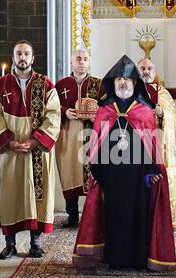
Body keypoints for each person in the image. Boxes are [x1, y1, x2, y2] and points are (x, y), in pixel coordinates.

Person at [72, 55, 176, 271]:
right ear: (112, 82)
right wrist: (96, 169)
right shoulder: (104, 110)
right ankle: (113, 257)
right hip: (111, 176)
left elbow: (151, 144)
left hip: (138, 178)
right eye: (118, 79)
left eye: (127, 79)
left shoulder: (145, 111)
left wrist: (151, 171)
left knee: (137, 215)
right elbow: (96, 143)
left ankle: (138, 258)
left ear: (134, 83)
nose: (122, 83)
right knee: (112, 215)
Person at [0, 40, 61, 260]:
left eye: (26, 53)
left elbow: (54, 116)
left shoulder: (46, 85)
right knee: (10, 195)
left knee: (37, 195)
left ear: (32, 58)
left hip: (36, 152)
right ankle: (10, 244)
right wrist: (8, 141)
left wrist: (36, 141)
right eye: (19, 53)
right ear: (13, 57)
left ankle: (35, 243)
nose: (22, 57)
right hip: (9, 152)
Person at [137, 58, 176, 229]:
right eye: (143, 68)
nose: (146, 71)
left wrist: (162, 114)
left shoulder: (163, 93)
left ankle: (163, 216)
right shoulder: (131, 90)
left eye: (149, 68)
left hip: (159, 143)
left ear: (155, 71)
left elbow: (172, 115)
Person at [55, 49, 103, 228]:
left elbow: (108, 108)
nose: (82, 62)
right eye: (78, 59)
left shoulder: (99, 85)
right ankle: (72, 215)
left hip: (92, 135)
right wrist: (64, 111)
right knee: (70, 174)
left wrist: (96, 116)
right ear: (71, 62)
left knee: (94, 175)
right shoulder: (60, 85)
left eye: (85, 59)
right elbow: (50, 108)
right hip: (68, 134)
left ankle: (93, 217)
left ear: (89, 62)